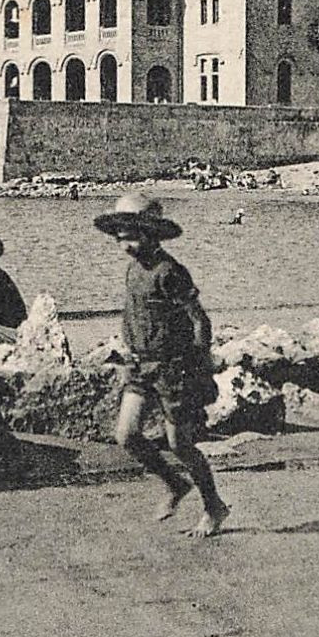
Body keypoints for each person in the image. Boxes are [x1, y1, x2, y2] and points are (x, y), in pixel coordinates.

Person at [95, 193, 229, 539]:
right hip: (140, 365)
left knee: (179, 444)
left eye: (134, 237)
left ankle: (213, 505)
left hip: (173, 368)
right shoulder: (133, 269)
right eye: (121, 237)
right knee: (126, 435)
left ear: (153, 235)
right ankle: (174, 483)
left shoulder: (170, 272)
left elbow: (199, 320)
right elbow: (136, 313)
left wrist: (201, 361)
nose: (126, 244)